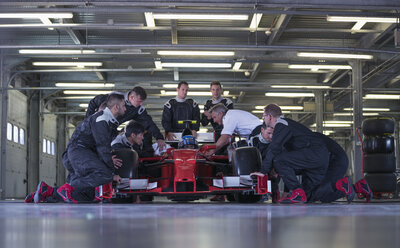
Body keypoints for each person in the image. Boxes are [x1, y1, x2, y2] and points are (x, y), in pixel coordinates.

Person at [26, 93, 127, 203]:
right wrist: (112, 173)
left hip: (77, 154)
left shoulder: (106, 121)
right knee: (105, 174)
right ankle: (67, 188)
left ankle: (47, 192)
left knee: (86, 195)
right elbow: (103, 148)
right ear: (116, 107)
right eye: (124, 105)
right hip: (79, 152)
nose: (126, 109)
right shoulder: (101, 120)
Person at [250, 104, 334, 204]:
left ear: (269, 116)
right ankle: (341, 186)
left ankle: (296, 191)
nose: (263, 120)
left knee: (279, 160)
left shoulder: (281, 125)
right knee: (308, 196)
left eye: (264, 117)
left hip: (314, 153)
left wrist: (263, 171)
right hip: (320, 157)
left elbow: (274, 148)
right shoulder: (287, 125)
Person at [86, 86, 166, 150]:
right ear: (131, 97)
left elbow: (148, 123)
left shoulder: (137, 109)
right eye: (139, 101)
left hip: (110, 131)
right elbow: (93, 102)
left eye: (142, 102)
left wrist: (159, 137)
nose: (141, 104)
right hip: (96, 127)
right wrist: (88, 120)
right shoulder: (114, 97)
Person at [308, 132, 373, 203]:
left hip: (334, 161)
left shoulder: (306, 139)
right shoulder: (311, 135)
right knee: (325, 197)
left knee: (312, 195)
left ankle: (341, 184)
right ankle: (359, 187)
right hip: (339, 159)